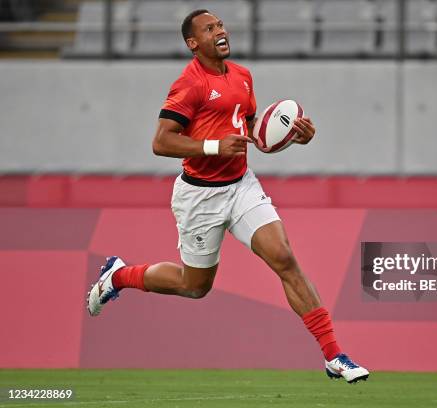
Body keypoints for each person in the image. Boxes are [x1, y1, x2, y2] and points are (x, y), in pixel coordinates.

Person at [86, 9, 369, 383]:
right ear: (193, 43)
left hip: (240, 186)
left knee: (284, 258)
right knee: (195, 286)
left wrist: (292, 137)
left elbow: (252, 134)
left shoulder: (242, 76)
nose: (220, 31)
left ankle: (334, 356)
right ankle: (120, 276)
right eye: (209, 28)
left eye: (220, 25)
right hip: (199, 197)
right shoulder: (189, 84)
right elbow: (161, 141)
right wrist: (214, 146)